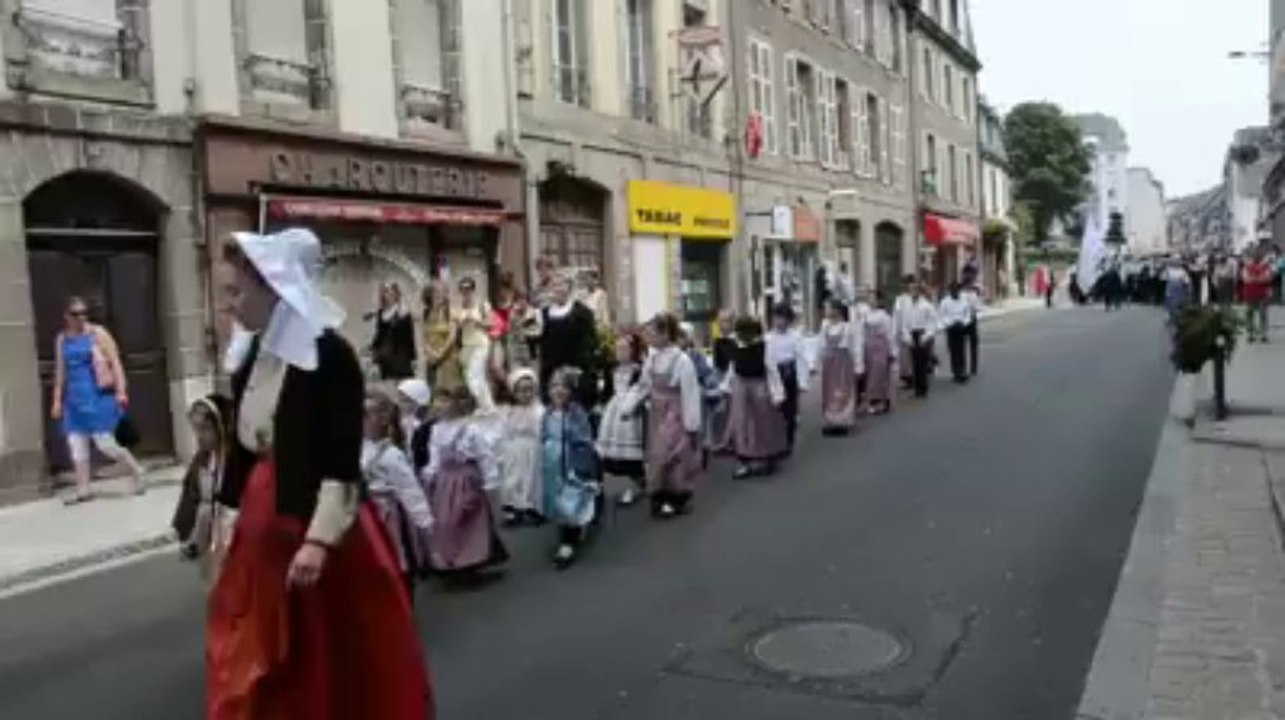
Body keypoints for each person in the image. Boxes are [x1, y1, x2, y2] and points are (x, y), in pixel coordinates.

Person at [208, 228, 431, 719]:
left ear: (274, 289)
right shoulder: (252, 355)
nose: (229, 303)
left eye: (237, 291)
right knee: (255, 639)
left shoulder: (329, 356)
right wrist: (226, 514)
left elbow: (339, 458)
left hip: (314, 521)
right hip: (263, 514)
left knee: (324, 648)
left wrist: (318, 541)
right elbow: (241, 442)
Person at [51, 296, 146, 503]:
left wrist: (121, 390)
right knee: (77, 442)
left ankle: (137, 470)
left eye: (84, 313)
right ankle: (83, 489)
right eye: (75, 314)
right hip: (74, 399)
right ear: (66, 316)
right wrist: (57, 399)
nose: (81, 317)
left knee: (105, 443)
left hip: (96, 395)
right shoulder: (62, 338)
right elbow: (61, 370)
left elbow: (115, 362)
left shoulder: (97, 333)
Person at [422, 386, 507, 576]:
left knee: (467, 519)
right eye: (438, 401)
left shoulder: (470, 429)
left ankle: (472, 559)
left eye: (445, 401)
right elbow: (434, 455)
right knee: (445, 521)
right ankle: (451, 559)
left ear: (458, 404)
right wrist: (430, 474)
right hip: (445, 482)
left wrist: (490, 480)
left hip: (466, 481)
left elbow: (484, 455)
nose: (440, 406)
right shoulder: (436, 430)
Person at [362, 389, 434, 600]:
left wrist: (424, 520)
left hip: (388, 512)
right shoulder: (357, 448)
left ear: (383, 417)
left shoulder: (390, 454)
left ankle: (403, 596)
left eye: (368, 414)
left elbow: (409, 488)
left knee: (398, 554)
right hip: (365, 512)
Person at [631, 314, 703, 518]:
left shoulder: (682, 360)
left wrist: (692, 424)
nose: (649, 337)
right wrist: (632, 405)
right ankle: (660, 496)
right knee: (656, 453)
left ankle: (678, 496)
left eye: (652, 333)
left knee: (671, 453)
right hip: (656, 411)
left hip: (674, 411)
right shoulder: (652, 358)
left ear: (665, 334)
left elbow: (690, 393)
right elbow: (644, 385)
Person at [171, 394, 234, 587]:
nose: (199, 436)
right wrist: (187, 535)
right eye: (196, 429)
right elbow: (192, 497)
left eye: (205, 429)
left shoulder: (235, 461)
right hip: (209, 534)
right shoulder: (202, 461)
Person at [541, 367, 601, 568]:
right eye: (554, 386)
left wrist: (583, 468)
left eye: (564, 386)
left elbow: (584, 442)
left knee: (571, 501)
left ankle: (567, 542)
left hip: (571, 463)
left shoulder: (576, 414)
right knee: (558, 502)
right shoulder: (547, 413)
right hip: (552, 465)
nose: (559, 391)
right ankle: (571, 530)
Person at [718, 316, 788, 479]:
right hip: (741, 387)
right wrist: (725, 387)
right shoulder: (737, 346)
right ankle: (744, 460)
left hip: (760, 387)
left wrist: (777, 393)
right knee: (741, 423)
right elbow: (733, 369)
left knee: (763, 423)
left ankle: (766, 457)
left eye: (742, 332)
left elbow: (772, 371)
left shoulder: (764, 347)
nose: (740, 335)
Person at [597, 332, 648, 506]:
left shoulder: (638, 369)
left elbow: (641, 390)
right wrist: (602, 404)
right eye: (617, 348)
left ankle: (636, 483)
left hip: (630, 413)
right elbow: (608, 390)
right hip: (613, 410)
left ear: (633, 350)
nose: (619, 352)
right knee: (613, 453)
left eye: (624, 348)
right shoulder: (612, 368)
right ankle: (629, 484)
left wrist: (631, 405)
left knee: (630, 453)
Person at [538, 272, 599, 408]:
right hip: (551, 371)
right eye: (554, 285)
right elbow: (541, 343)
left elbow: (589, 342)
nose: (558, 288)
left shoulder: (582, 312)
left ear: (570, 287)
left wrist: (578, 368)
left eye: (562, 284)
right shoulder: (543, 314)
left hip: (576, 370)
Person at [498, 369, 545, 525]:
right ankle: (513, 507)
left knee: (532, 479)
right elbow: (504, 430)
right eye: (522, 390)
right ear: (514, 392)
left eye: (529, 390)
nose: (526, 394)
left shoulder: (538, 410)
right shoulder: (509, 411)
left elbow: (541, 431)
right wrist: (503, 450)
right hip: (514, 448)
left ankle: (532, 507)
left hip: (532, 448)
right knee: (512, 478)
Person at [766, 303, 808, 455]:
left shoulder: (795, 336)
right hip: (774, 373)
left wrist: (802, 382)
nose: (779, 321)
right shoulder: (769, 337)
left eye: (782, 318)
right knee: (776, 409)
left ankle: (788, 441)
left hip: (789, 372)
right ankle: (777, 441)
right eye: (776, 317)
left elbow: (801, 359)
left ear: (788, 320)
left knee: (790, 409)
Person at [818, 299, 863, 435]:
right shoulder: (825, 326)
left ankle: (844, 420)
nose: (826, 311)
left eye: (828, 308)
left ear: (836, 311)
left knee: (844, 391)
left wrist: (858, 366)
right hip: (829, 364)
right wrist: (818, 363)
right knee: (829, 392)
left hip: (844, 362)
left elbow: (856, 347)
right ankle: (831, 420)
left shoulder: (848, 327)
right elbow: (821, 346)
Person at [455, 275, 496, 413]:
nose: (466, 292)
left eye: (468, 288)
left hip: (480, 343)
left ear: (473, 289)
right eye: (463, 289)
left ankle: (479, 405)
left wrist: (476, 321)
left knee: (475, 373)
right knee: (472, 375)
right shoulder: (459, 307)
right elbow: (456, 329)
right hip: (466, 345)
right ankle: (488, 407)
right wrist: (461, 324)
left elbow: (491, 324)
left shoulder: (483, 304)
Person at [422, 280, 464, 399]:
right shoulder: (425, 313)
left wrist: (439, 354)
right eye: (436, 292)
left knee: (451, 393)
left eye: (443, 292)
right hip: (431, 359)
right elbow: (422, 338)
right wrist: (430, 353)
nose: (440, 295)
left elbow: (452, 337)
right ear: (429, 295)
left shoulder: (451, 312)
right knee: (433, 393)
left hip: (448, 358)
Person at [368, 282, 416, 380]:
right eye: (385, 291)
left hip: (401, 355)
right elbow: (379, 335)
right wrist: (372, 350)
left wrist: (413, 358)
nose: (388, 293)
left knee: (401, 384)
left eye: (390, 290)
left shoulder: (403, 311)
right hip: (385, 357)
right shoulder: (381, 313)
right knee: (387, 384)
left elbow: (409, 336)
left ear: (396, 293)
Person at [898, 283, 938, 397]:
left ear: (919, 292)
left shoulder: (926, 305)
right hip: (912, 333)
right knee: (914, 362)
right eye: (911, 290)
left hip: (922, 333)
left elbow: (932, 322)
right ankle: (917, 387)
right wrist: (906, 336)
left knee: (922, 362)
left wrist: (926, 336)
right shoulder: (907, 306)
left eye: (915, 290)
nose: (913, 292)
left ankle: (923, 387)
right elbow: (904, 323)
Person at [862, 290, 897, 415]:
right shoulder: (865, 314)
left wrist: (892, 351)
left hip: (880, 347)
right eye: (869, 298)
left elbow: (890, 334)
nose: (871, 301)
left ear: (879, 301)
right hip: (868, 347)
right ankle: (871, 400)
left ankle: (881, 400)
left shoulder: (884, 316)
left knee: (879, 375)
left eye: (873, 298)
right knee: (869, 374)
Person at [395, 379, 434, 478]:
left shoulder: (427, 426)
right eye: (400, 400)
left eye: (406, 401)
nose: (401, 404)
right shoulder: (398, 421)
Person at [939, 283, 971, 383]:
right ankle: (956, 372)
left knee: (962, 350)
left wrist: (964, 322)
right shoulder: (945, 302)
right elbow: (941, 316)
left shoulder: (964, 301)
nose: (956, 293)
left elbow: (967, 314)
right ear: (950, 291)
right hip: (951, 328)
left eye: (957, 291)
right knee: (953, 350)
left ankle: (962, 371)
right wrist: (949, 323)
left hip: (961, 327)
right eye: (953, 291)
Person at [1243, 249, 1274, 343]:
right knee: (1249, 313)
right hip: (1250, 293)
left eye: (1258, 255)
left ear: (1261, 257)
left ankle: (1263, 334)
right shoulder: (1247, 267)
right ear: (1252, 257)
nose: (1256, 257)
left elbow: (1268, 278)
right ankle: (1250, 334)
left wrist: (1254, 279)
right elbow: (1246, 279)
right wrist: (1260, 279)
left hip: (1263, 294)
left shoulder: (1266, 267)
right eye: (1254, 255)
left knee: (1263, 314)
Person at [892, 275, 917, 388]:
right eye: (907, 284)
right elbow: (896, 316)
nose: (909, 287)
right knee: (905, 357)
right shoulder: (900, 299)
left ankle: (915, 376)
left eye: (911, 284)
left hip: (916, 329)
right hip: (903, 330)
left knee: (915, 355)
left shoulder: (917, 298)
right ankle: (908, 377)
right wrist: (896, 331)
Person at [961, 282, 983, 377]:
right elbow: (978, 308)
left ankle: (965, 367)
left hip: (964, 320)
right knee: (973, 345)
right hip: (971, 319)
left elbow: (978, 308)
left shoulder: (961, 295)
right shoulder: (974, 295)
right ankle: (973, 368)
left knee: (964, 344)